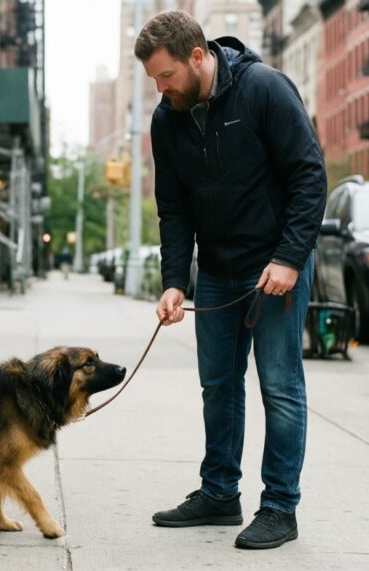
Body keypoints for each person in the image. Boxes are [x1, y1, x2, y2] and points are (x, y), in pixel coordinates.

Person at [135, 11, 326, 550]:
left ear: (198, 56)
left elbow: (309, 174)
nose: (161, 87)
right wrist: (175, 281)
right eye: (153, 79)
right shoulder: (166, 118)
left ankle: (279, 508)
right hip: (217, 272)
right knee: (218, 387)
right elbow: (173, 208)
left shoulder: (264, 89)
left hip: (275, 266)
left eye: (166, 74)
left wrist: (290, 258)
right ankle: (219, 493)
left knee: (280, 387)